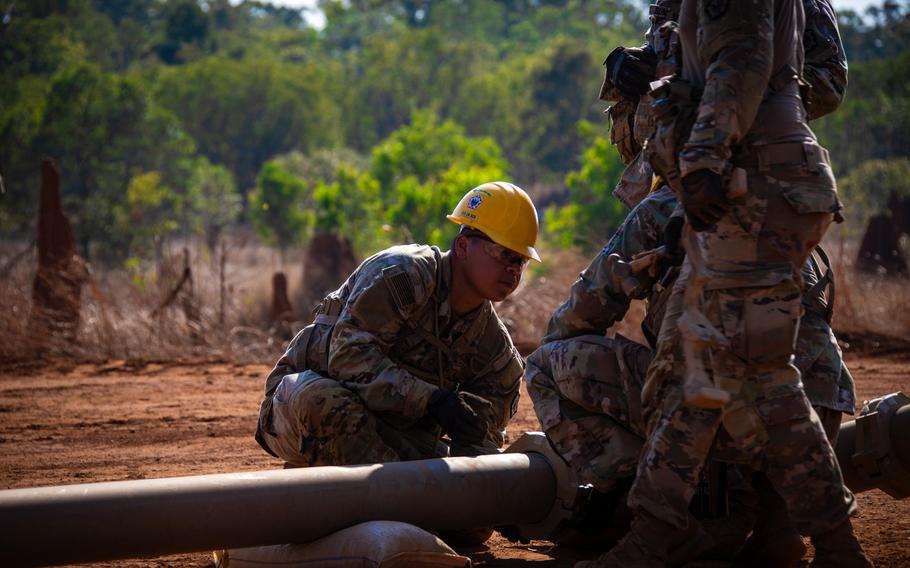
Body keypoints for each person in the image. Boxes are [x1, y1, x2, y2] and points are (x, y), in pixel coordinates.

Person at [578, 0, 870, 566]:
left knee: (733, 372)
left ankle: (826, 542)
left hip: (749, 184)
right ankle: (656, 539)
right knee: (708, 369)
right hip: (744, 186)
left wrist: (705, 161)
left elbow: (743, 56)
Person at [254, 182, 538, 469]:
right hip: (298, 410)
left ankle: (382, 486)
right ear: (463, 246)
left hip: (394, 436)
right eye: (504, 254)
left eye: (521, 260)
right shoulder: (401, 275)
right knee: (323, 402)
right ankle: (385, 490)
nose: (513, 269)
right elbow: (347, 358)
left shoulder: (496, 352)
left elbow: (482, 441)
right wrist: (431, 400)